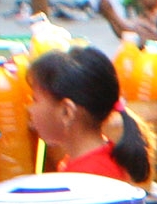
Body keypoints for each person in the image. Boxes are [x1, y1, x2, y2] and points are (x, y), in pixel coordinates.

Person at [25, 46, 149, 185]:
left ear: (67, 111)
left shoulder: (85, 179)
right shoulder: (98, 160)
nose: (30, 109)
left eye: (35, 100)